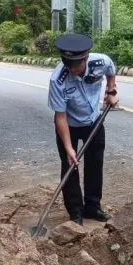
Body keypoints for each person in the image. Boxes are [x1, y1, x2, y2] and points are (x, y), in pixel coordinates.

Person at [47, 33, 119, 224]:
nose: (71, 70)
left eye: (76, 66)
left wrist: (111, 92)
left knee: (95, 163)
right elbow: (60, 117)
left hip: (94, 120)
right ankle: (76, 212)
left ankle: (93, 207)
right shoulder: (58, 80)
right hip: (68, 125)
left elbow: (111, 71)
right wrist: (70, 148)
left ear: (86, 58)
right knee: (70, 166)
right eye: (67, 65)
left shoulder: (100, 62)